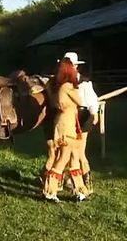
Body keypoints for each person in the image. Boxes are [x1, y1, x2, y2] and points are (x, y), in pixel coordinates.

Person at [43, 58, 89, 202]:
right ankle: (50, 190)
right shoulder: (67, 87)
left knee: (74, 158)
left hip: (65, 123)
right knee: (63, 158)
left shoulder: (58, 87)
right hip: (67, 125)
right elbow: (81, 101)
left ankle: (80, 191)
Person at [63, 52, 99, 193]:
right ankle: (66, 180)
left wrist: (94, 114)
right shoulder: (62, 82)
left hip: (81, 117)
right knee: (66, 151)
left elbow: (91, 101)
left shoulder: (84, 82)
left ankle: (85, 183)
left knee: (79, 152)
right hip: (68, 118)